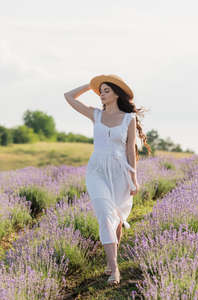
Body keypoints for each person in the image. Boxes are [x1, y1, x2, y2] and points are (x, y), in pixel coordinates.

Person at [63, 74, 151, 286]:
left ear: (116, 94)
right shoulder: (96, 115)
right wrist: (91, 85)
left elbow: (131, 150)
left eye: (106, 90)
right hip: (97, 171)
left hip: (120, 172)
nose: (102, 94)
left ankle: (112, 259)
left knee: (117, 218)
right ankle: (114, 268)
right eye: (100, 91)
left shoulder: (129, 119)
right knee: (104, 214)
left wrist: (134, 178)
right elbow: (69, 96)